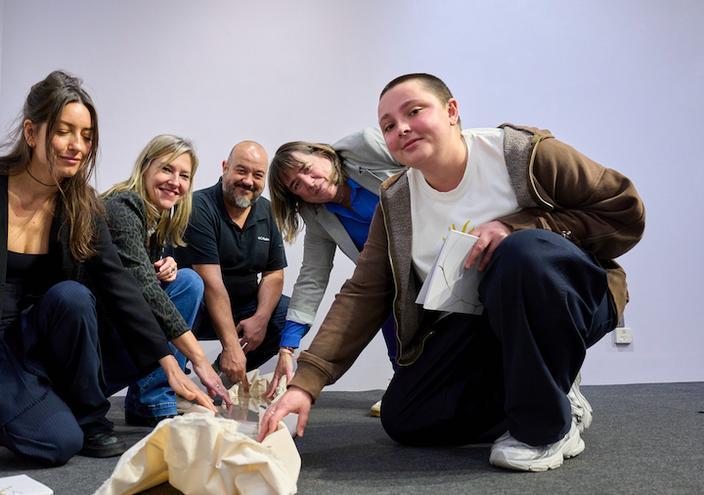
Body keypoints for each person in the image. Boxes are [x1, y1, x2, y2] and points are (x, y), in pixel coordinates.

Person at [260, 73, 645, 473]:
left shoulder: (523, 153)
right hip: (475, 322)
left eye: (414, 111)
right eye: (389, 125)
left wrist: (522, 226)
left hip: (572, 297)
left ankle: (543, 428)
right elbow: (363, 293)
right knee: (406, 418)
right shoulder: (396, 201)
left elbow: (624, 210)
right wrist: (306, 384)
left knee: (518, 253)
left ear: (451, 111)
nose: (402, 128)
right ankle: (554, 391)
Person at [0, 71, 216, 470]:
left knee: (72, 297)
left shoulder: (82, 203)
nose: (77, 146)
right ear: (32, 132)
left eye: (86, 136)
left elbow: (119, 285)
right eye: (64, 131)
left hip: (41, 346)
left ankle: (58, 410)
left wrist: (171, 360)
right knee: (58, 444)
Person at [266, 131, 405, 411]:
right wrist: (287, 346)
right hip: (391, 282)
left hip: (437, 250)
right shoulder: (318, 216)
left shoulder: (366, 148)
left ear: (324, 155)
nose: (308, 183)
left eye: (306, 169)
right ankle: (404, 382)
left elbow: (428, 162)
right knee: (380, 300)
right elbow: (312, 276)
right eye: (296, 185)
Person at [101, 135, 231, 427]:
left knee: (188, 280)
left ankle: (154, 399)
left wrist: (163, 265)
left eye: (184, 175)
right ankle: (154, 393)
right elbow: (142, 289)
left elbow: (138, 275)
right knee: (189, 283)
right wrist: (199, 360)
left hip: (118, 326)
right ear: (146, 167)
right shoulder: (124, 205)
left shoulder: (157, 219)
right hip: (92, 339)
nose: (175, 181)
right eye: (166, 170)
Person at [174, 141, 290, 388]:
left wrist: (260, 318)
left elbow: (274, 274)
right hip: (195, 310)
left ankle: (220, 381)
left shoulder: (267, 211)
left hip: (241, 310)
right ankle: (170, 387)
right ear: (225, 168)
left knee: (286, 312)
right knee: (189, 288)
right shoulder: (198, 206)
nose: (248, 180)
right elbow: (211, 283)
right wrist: (230, 345)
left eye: (257, 175)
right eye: (241, 170)